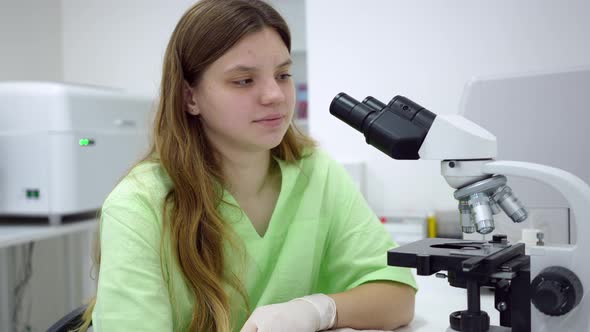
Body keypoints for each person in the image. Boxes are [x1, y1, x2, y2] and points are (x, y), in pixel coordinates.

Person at [78, 0, 417, 331]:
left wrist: (318, 310)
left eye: (283, 74)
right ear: (189, 98)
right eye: (244, 80)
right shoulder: (138, 206)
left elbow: (397, 296)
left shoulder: (315, 172)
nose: (275, 95)